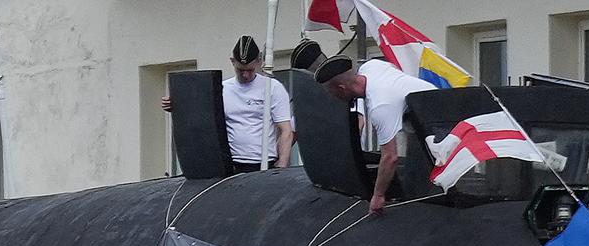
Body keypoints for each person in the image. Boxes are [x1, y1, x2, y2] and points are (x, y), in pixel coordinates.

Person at [316, 56, 436, 215]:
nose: (333, 98)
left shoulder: (380, 105)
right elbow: (393, 68)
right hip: (424, 119)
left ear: (341, 88)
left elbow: (390, 157)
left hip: (438, 125)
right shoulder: (371, 66)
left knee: (419, 183)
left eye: (332, 94)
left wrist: (378, 196)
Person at [163, 35, 294, 172]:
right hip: (230, 163)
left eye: (250, 70)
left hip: (263, 163)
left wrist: (282, 165)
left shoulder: (272, 88)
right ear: (232, 62)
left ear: (259, 62)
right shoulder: (222, 88)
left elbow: (286, 130)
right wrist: (176, 106)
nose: (245, 75)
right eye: (240, 70)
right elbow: (201, 117)